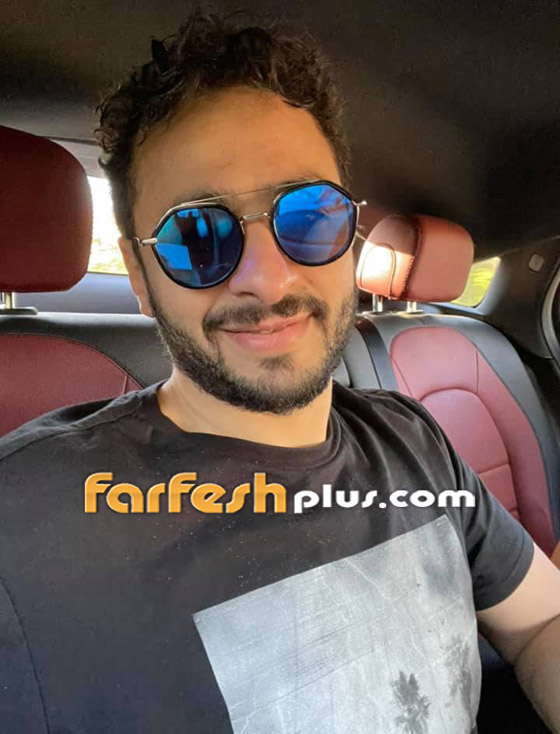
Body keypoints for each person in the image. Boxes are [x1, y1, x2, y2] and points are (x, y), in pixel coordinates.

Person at [0, 9, 559, 734]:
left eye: (309, 216)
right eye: (198, 234)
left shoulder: (415, 440)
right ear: (138, 274)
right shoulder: (25, 520)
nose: (266, 278)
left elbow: (541, 621)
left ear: (350, 238)